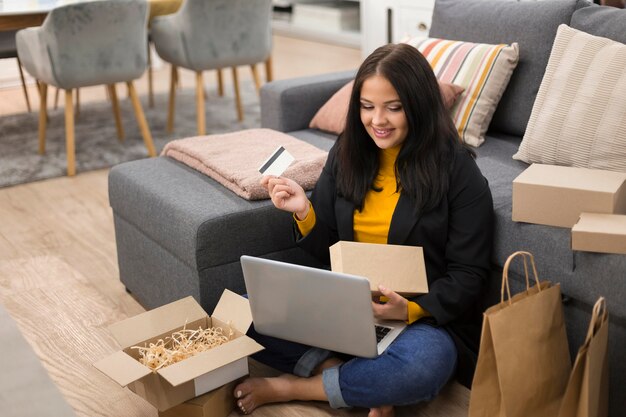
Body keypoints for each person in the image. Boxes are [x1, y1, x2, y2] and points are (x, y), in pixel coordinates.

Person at [234, 43, 494, 417]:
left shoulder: (458, 172)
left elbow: (468, 275)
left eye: (394, 107)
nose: (378, 121)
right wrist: (304, 210)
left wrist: (409, 310)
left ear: (418, 106)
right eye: (367, 107)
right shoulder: (347, 152)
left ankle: (297, 386)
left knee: (426, 365)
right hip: (346, 303)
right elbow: (328, 248)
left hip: (416, 321)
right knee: (244, 310)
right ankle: (346, 379)